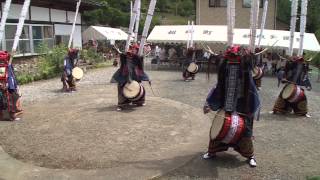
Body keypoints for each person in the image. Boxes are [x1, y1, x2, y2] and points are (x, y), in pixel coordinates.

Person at [202, 45, 260, 167]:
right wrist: (209, 104)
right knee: (219, 127)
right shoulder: (225, 67)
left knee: (246, 131)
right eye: (230, 59)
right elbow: (219, 87)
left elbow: (254, 63)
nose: (232, 61)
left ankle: (250, 155)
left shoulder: (245, 68)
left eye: (235, 58)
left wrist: (253, 54)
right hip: (226, 103)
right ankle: (212, 152)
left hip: (243, 105)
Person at [111, 44, 150, 111]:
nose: (133, 50)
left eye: (135, 49)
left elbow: (140, 65)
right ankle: (121, 105)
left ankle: (139, 102)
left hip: (135, 75)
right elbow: (121, 56)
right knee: (121, 87)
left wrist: (146, 52)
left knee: (139, 87)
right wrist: (117, 50)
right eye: (133, 49)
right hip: (124, 74)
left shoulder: (137, 57)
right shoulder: (125, 55)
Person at [0, 51, 23, 121]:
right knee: (8, 101)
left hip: (8, 85)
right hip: (7, 86)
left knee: (8, 100)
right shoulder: (5, 65)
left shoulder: (7, 65)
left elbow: (11, 75)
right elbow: (5, 76)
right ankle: (11, 116)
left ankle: (9, 115)